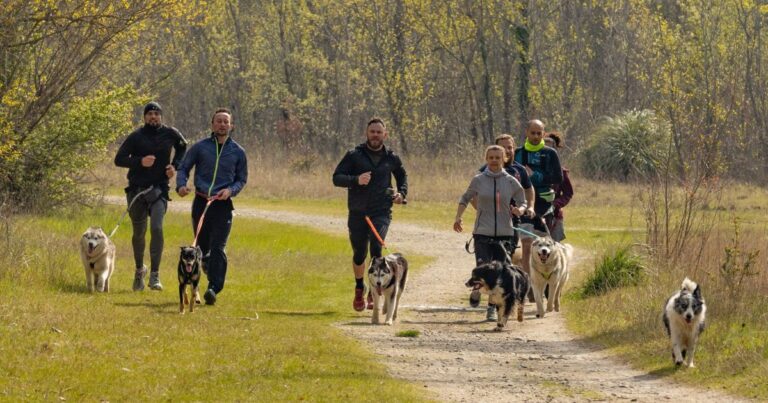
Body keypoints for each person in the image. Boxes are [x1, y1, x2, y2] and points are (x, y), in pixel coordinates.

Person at [333, 117, 408, 312]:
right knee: (359, 253)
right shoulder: (354, 155)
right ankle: (360, 287)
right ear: (367, 133)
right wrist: (356, 179)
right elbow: (337, 178)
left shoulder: (392, 157)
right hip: (358, 212)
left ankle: (374, 291)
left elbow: (402, 176)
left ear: (385, 134)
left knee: (377, 248)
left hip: (381, 211)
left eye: (379, 132)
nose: (375, 135)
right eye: (372, 131)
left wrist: (402, 194)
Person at [176, 108, 248, 306]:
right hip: (201, 202)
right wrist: (181, 185)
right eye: (219, 121)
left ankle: (213, 288)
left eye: (226, 121)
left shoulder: (238, 152)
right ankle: (201, 278)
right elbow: (183, 167)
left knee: (219, 247)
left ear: (231, 126)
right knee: (201, 249)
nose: (222, 124)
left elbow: (242, 179)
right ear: (212, 125)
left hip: (223, 205)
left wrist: (230, 190)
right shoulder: (200, 147)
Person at [115, 101, 187, 292]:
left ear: (161, 116)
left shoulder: (171, 133)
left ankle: (155, 275)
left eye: (156, 113)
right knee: (139, 233)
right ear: (144, 117)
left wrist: (175, 166)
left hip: (159, 190)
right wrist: (140, 162)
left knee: (156, 228)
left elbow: (183, 147)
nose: (153, 117)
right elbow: (119, 159)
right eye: (149, 114)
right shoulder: (136, 136)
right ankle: (140, 271)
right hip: (137, 191)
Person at [454, 145, 527, 321]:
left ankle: (492, 308)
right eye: (491, 158)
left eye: (497, 158)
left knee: (500, 274)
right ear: (486, 159)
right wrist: (458, 217)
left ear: (504, 159)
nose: (494, 161)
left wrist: (521, 210)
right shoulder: (478, 179)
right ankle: (477, 289)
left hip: (504, 233)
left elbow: (522, 200)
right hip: (482, 233)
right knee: (483, 268)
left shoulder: (511, 181)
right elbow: (465, 198)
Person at [514, 119, 562, 300]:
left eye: (539, 133)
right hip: (523, 204)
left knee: (546, 245)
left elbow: (558, 178)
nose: (535, 136)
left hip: (543, 204)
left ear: (543, 134)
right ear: (526, 132)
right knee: (527, 245)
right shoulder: (518, 153)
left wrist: (537, 176)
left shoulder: (550, 153)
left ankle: (548, 283)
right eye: (532, 133)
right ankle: (529, 286)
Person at [476, 134, 536, 257]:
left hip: (512, 222)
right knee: (487, 258)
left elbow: (529, 189)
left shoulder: (519, 170)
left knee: (506, 258)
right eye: (503, 147)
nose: (507, 151)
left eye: (510, 147)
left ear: (514, 148)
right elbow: (473, 195)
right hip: (487, 223)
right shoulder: (484, 171)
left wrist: (530, 207)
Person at [544, 132, 573, 242]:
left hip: (555, 215)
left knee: (555, 248)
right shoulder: (529, 170)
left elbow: (568, 193)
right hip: (534, 215)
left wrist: (556, 204)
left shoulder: (561, 172)